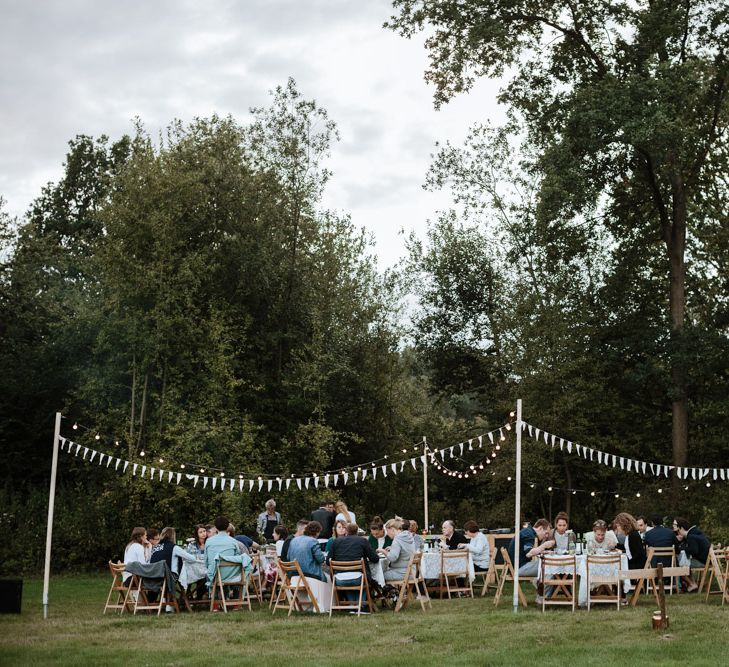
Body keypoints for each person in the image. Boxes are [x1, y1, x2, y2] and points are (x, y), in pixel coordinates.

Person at [328, 522, 380, 611]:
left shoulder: (336, 542)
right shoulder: (362, 541)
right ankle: (361, 606)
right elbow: (375, 559)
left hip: (339, 579)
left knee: (350, 576)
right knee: (362, 576)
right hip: (359, 578)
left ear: (346, 531)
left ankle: (352, 606)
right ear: (357, 531)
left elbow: (328, 561)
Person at [204, 515, 250, 590]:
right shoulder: (233, 541)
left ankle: (216, 598)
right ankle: (236, 597)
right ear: (228, 526)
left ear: (215, 528)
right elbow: (237, 559)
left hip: (215, 574)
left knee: (210, 572)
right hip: (232, 575)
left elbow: (206, 562)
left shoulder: (209, 541)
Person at [674, 517, 710, 592]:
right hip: (707, 560)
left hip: (703, 562)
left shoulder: (691, 536)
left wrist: (682, 547)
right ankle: (691, 584)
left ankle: (691, 584)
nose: (678, 533)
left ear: (681, 528)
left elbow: (694, 551)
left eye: (678, 530)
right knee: (685, 561)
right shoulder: (694, 533)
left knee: (680, 565)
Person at [380, 517, 415, 581]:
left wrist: (383, 551)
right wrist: (392, 548)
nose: (387, 534)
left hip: (402, 573)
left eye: (387, 531)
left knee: (378, 575)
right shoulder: (408, 536)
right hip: (412, 572)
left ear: (392, 529)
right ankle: (392, 590)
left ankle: (389, 591)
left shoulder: (397, 539)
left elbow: (392, 558)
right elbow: (405, 549)